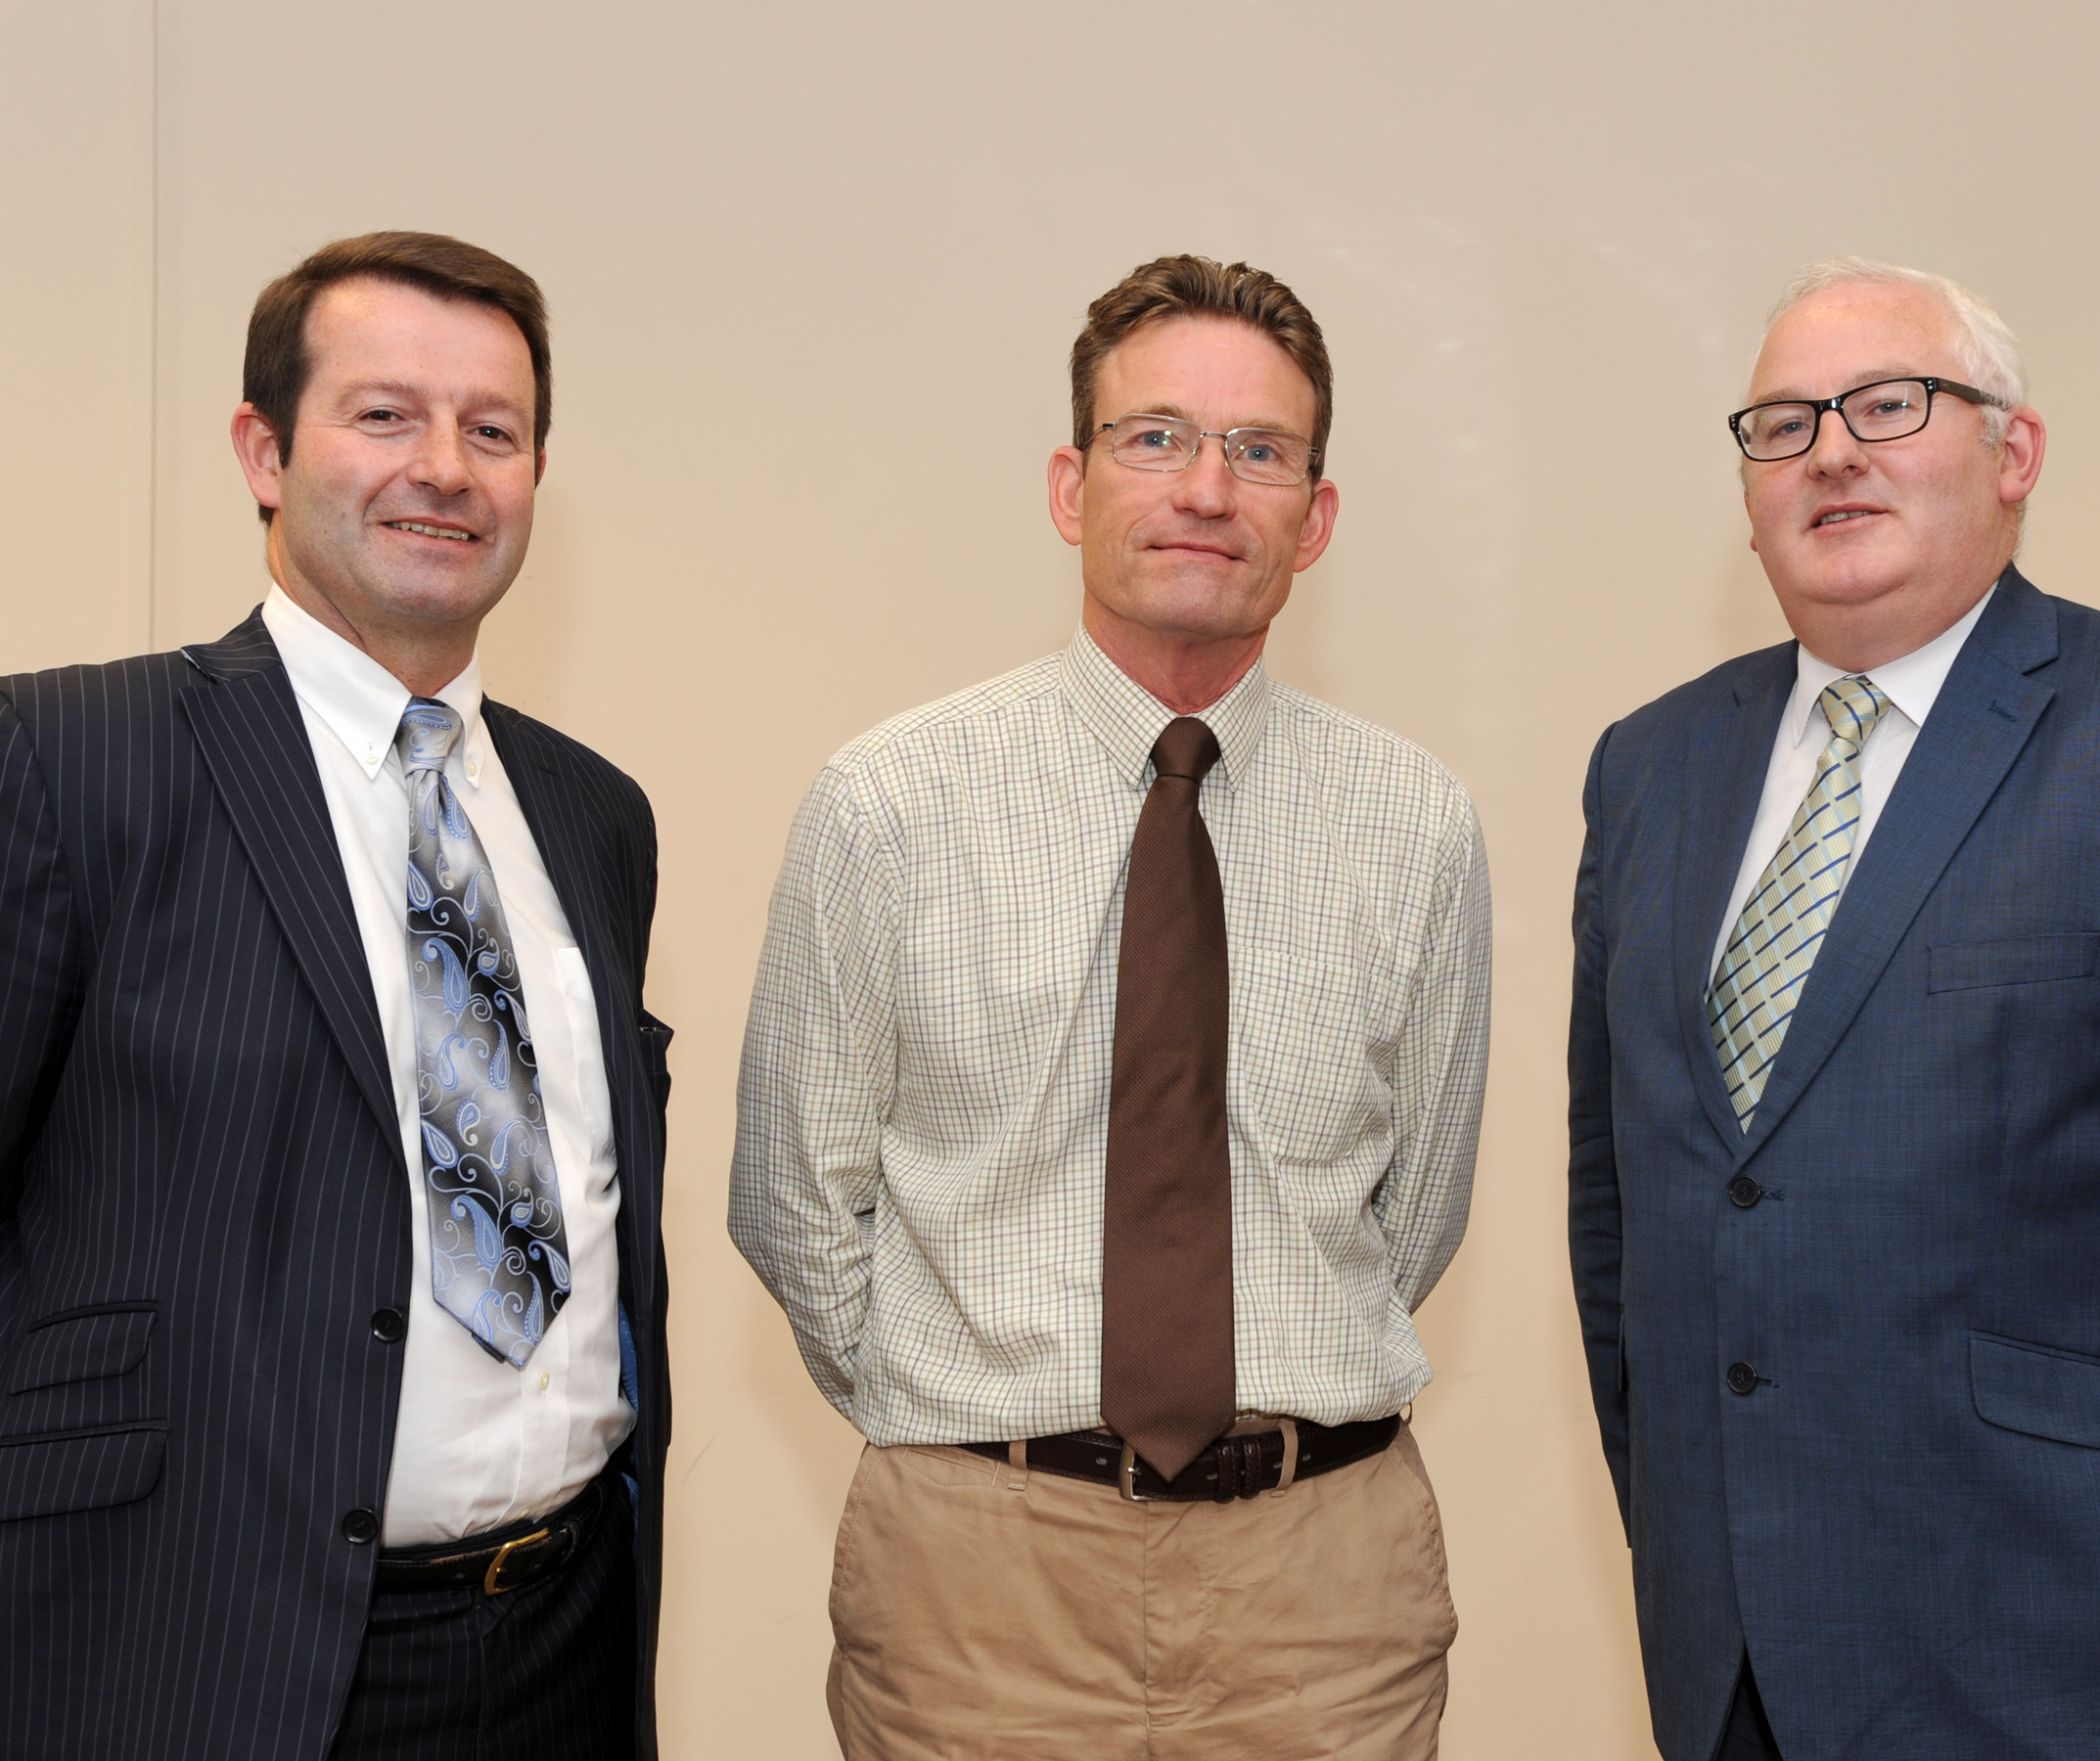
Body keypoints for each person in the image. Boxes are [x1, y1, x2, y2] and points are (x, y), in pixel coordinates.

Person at [1569, 255, 2100, 1761]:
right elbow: (1629, 1225)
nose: (1834, 449)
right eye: (1784, 422)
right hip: (1737, 1676)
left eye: (1891, 402)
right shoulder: (1650, 768)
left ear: (2015, 453)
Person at [731, 254, 1491, 1758]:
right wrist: (979, 1435)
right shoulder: (888, 803)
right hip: (977, 1586)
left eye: (1260, 451)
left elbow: (1417, 1215)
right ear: (1073, 488)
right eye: (1155, 439)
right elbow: (796, 1205)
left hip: (1324, 1590)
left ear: (1315, 517)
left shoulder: (1419, 823)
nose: (1207, 488)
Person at [0, 232, 673, 1760]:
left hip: (563, 1637)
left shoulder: (593, 815)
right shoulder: (65, 761)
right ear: (263, 450)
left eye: (491, 431)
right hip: (200, 1649)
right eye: (383, 416)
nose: (444, 467)